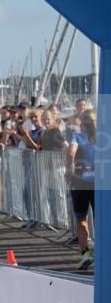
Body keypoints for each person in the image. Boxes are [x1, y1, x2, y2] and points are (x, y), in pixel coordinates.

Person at [66, 111, 96, 270]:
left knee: (81, 219)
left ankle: (85, 254)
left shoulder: (77, 137)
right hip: (100, 183)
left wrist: (68, 170)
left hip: (80, 183)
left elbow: (71, 153)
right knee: (102, 220)